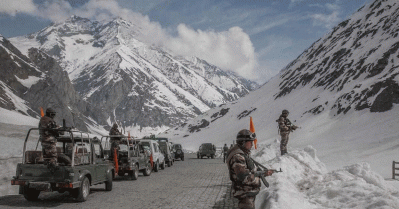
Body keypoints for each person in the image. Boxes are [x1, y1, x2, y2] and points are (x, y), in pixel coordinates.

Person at [226, 129, 273, 209]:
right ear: (243, 142)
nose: (252, 144)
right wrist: (258, 177)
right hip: (245, 193)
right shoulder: (238, 156)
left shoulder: (242, 153)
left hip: (247, 193)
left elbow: (250, 171)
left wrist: (263, 173)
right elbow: (244, 178)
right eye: (250, 142)